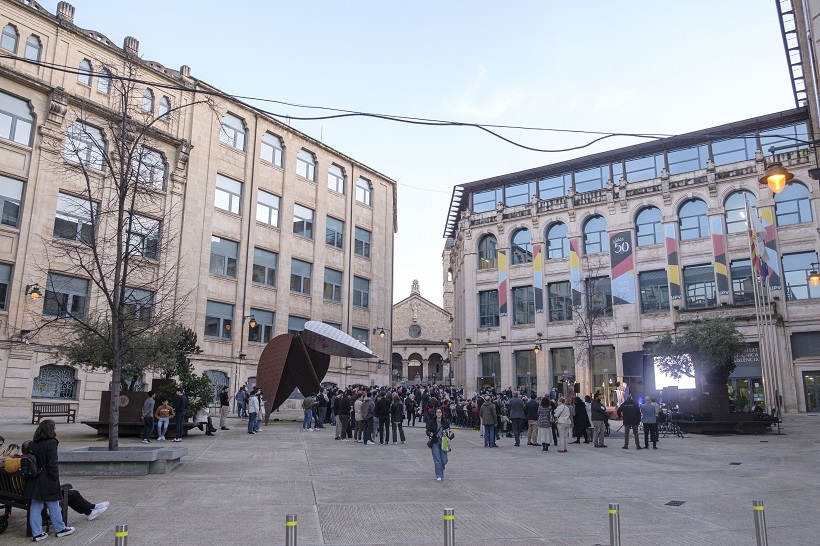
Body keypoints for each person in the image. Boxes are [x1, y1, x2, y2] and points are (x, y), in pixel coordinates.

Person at [24, 420, 75, 541]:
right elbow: (52, 463)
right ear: (51, 429)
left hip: (34, 479)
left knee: (36, 505)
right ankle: (60, 529)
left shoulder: (32, 443)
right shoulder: (51, 443)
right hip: (46, 478)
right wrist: (54, 477)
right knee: (53, 503)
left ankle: (37, 533)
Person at [426, 408, 451, 481]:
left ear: (442, 413)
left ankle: (441, 467)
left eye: (440, 412)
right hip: (435, 442)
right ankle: (439, 475)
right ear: (435, 413)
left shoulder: (445, 422)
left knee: (444, 460)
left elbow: (449, 431)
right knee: (437, 460)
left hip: (444, 442)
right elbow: (427, 431)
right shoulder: (432, 422)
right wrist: (430, 433)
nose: (438, 413)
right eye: (437, 412)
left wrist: (446, 433)